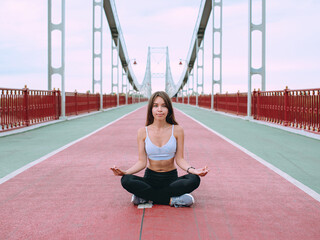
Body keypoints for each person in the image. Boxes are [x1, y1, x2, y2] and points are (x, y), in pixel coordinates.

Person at [111, 91, 209, 207]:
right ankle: (170, 200)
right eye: (155, 106)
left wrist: (194, 170)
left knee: (194, 179)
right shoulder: (142, 132)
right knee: (126, 180)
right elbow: (142, 162)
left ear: (169, 109)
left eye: (164, 106)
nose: (160, 109)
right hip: (150, 179)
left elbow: (180, 160)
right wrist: (125, 172)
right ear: (151, 109)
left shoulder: (177, 130)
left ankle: (147, 197)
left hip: (171, 180)